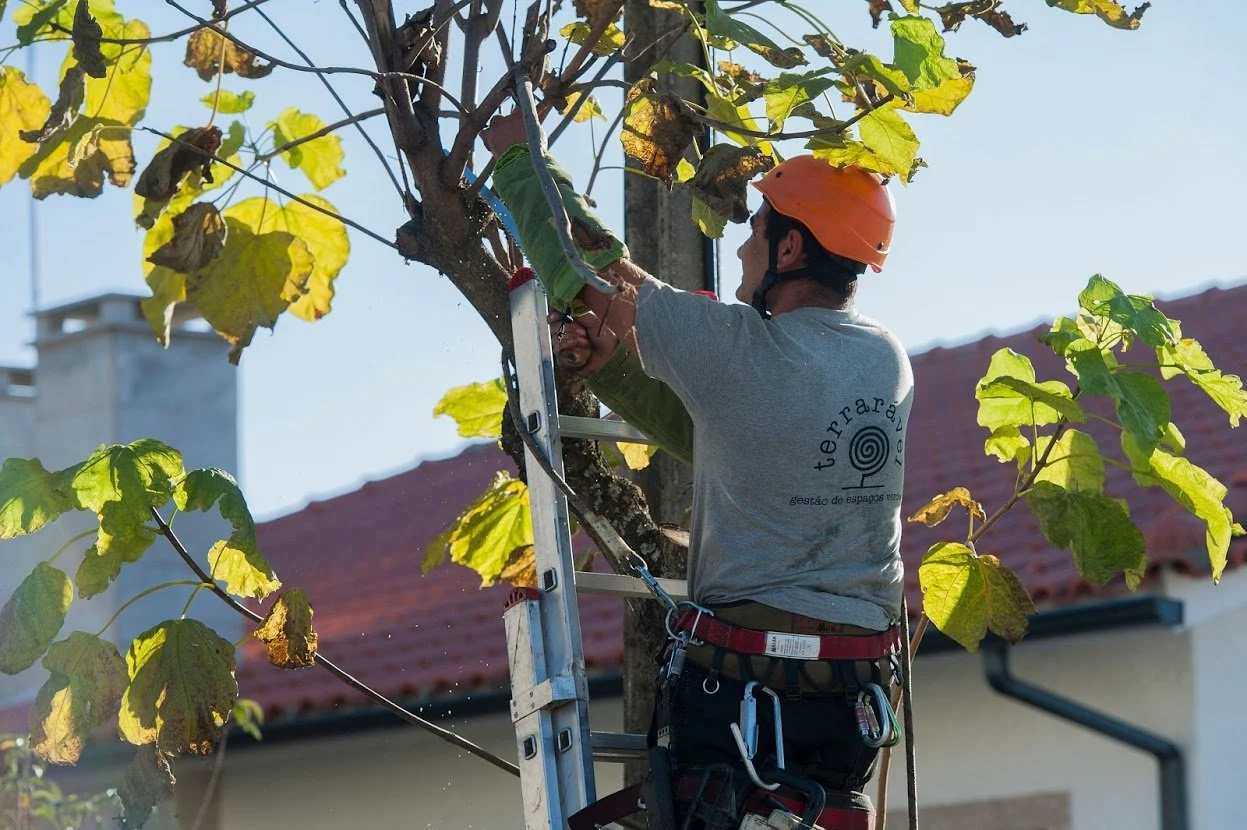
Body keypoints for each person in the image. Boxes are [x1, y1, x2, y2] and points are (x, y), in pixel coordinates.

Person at [484, 111, 914, 830]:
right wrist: (615, 365)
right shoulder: (882, 359)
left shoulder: (738, 348)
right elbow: (721, 432)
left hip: (740, 698)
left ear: (791, 246)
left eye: (756, 230)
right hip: (847, 705)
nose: (742, 247)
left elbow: (585, 264)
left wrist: (521, 163)